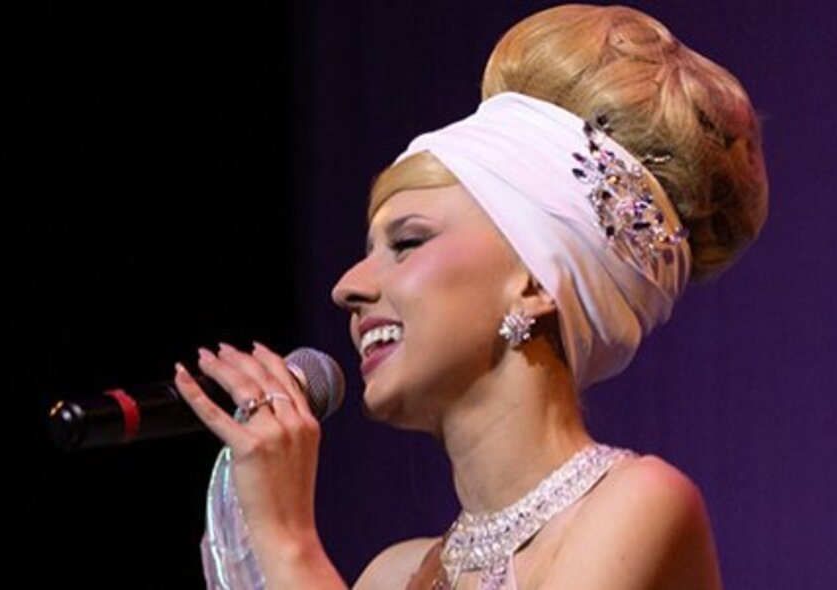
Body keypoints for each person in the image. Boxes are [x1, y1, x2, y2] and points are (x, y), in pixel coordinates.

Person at [173, 4, 768, 589]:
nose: (347, 285)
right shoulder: (394, 575)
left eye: (407, 243)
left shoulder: (638, 506)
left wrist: (289, 543)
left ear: (535, 282)